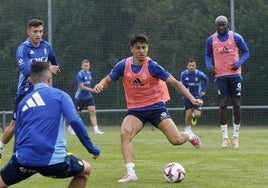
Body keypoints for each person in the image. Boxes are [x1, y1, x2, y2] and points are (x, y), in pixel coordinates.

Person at [94, 34, 203, 183]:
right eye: (138, 48)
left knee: (176, 140)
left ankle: (188, 135)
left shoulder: (153, 66)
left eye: (144, 47)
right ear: (132, 49)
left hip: (156, 108)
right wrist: (100, 85)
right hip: (136, 111)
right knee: (125, 134)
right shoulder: (123, 65)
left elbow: (175, 83)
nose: (141, 51)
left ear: (148, 48)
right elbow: (107, 80)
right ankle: (131, 173)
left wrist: (192, 98)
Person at [0, 62, 100, 188]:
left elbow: (18, 131)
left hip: (23, 160)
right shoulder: (61, 96)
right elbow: (74, 121)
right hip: (52, 162)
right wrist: (92, 149)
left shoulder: (24, 102)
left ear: (31, 80)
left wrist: (17, 158)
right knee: (85, 170)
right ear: (49, 78)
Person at [0, 19, 60, 158]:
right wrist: (46, 67)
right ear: (28, 31)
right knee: (14, 125)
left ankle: (48, 150)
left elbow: (55, 62)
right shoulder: (23, 49)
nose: (38, 34)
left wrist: (55, 68)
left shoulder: (46, 46)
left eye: (40, 31)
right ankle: (1, 146)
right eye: (35, 31)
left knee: (48, 117)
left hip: (42, 90)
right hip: (25, 91)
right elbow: (27, 71)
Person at [205, 15, 250, 148]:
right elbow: (207, 55)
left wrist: (239, 62)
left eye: (223, 25)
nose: (221, 27)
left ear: (227, 24)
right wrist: (209, 66)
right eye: (219, 25)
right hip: (220, 76)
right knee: (223, 105)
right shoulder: (211, 39)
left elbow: (246, 52)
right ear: (216, 26)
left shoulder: (236, 37)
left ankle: (235, 136)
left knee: (236, 104)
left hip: (235, 75)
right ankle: (225, 137)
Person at [67, 59, 104, 135]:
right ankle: (70, 128)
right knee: (77, 114)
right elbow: (82, 87)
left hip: (88, 97)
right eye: (85, 66)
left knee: (93, 112)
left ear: (89, 66)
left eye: (87, 66)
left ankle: (96, 130)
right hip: (80, 97)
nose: (86, 67)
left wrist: (93, 90)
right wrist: (93, 90)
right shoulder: (80, 74)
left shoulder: (89, 73)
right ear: (82, 66)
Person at [180, 59, 209, 132]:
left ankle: (194, 116)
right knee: (188, 113)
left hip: (197, 96)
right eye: (190, 65)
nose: (191, 67)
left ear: (195, 66)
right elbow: (182, 85)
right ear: (187, 66)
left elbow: (206, 79)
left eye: (193, 65)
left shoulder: (199, 74)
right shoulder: (183, 74)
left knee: (197, 115)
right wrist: (186, 91)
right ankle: (188, 129)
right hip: (188, 96)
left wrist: (203, 90)